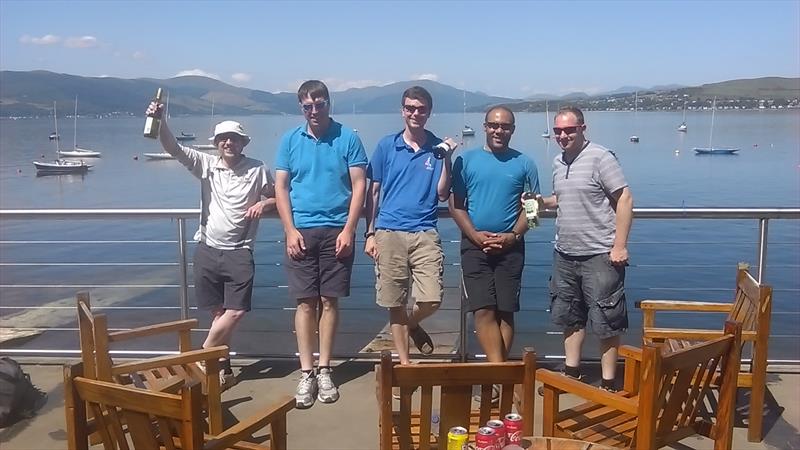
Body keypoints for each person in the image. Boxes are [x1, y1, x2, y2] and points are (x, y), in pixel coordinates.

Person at [145, 103, 275, 391]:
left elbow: (280, 198)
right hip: (207, 249)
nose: (229, 142)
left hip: (240, 251)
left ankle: (200, 356)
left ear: (244, 143)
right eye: (223, 139)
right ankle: (222, 370)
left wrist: (264, 203)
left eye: (234, 138)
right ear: (216, 143)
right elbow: (173, 148)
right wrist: (161, 119)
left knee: (236, 312)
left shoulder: (258, 170)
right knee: (219, 315)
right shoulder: (207, 164)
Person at [275, 80, 367, 408]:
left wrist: (350, 229)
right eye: (307, 106)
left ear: (329, 103)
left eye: (320, 104)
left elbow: (360, 186)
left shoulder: (348, 138)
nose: (314, 111)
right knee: (304, 304)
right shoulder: (289, 140)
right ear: (301, 107)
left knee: (329, 301)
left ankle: (325, 368)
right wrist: (289, 229)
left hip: (336, 231)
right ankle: (306, 372)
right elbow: (281, 188)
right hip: (302, 230)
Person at [538, 105, 633, 392]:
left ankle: (608, 384)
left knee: (606, 321)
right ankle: (572, 372)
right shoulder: (558, 161)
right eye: (558, 131)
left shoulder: (601, 157)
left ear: (582, 128)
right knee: (569, 316)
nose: (563, 135)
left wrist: (619, 246)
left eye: (569, 130)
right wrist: (542, 201)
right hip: (565, 253)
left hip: (600, 255)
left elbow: (625, 199)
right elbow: (562, 197)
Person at [364, 86, 458, 366]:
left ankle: (412, 324)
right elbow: (373, 192)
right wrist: (369, 233)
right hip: (388, 231)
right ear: (402, 110)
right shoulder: (386, 146)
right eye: (410, 108)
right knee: (394, 302)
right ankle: (404, 365)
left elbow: (442, 193)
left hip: (424, 231)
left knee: (432, 299)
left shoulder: (437, 148)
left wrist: (447, 159)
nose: (415, 113)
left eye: (421, 109)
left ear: (429, 112)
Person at [450, 106, 539, 365]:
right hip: (474, 246)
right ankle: (499, 374)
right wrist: (474, 235)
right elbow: (456, 205)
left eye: (505, 126)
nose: (499, 130)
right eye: (494, 125)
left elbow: (532, 212)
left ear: (513, 129)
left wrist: (513, 236)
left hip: (511, 246)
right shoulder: (465, 161)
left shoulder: (525, 163)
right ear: (485, 127)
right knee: (483, 309)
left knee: (505, 312)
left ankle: (495, 378)